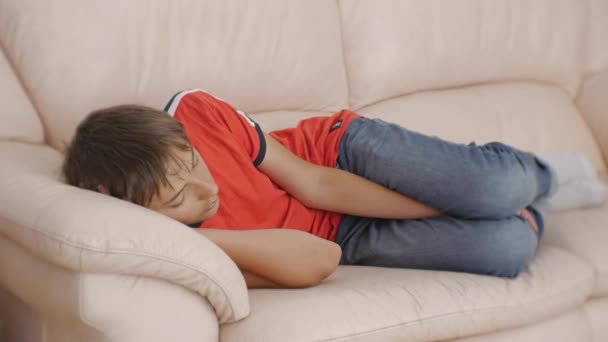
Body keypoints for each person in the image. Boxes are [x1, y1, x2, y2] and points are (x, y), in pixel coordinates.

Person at [62, 89, 557, 288]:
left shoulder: (194, 113)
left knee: (496, 189)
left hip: (337, 157)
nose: (206, 190)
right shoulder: (182, 254)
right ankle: (527, 207)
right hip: (342, 239)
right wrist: (198, 239)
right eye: (179, 201)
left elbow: (314, 182)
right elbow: (321, 257)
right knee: (507, 247)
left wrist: (445, 206)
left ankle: (547, 174)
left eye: (195, 163)